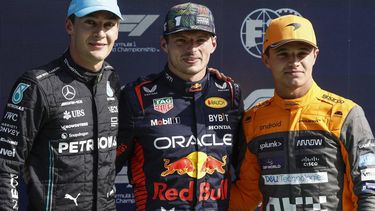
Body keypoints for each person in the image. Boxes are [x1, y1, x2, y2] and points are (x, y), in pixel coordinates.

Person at [229, 14, 375, 211]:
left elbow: (368, 191)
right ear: (266, 59)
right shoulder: (252, 120)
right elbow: (246, 195)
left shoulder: (345, 113)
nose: (294, 62)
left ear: (315, 55)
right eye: (283, 54)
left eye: (302, 53)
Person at [116, 2, 243, 210]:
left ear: (213, 44)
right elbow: (105, 168)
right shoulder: (137, 96)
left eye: (200, 40)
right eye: (181, 40)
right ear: (164, 44)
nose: (191, 49)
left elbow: (247, 171)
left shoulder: (230, 93)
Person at [0, 0, 123, 210]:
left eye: (108, 24)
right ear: (70, 26)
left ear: (117, 31)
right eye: (91, 23)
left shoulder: (111, 80)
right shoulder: (37, 85)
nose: (100, 33)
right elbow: (6, 163)